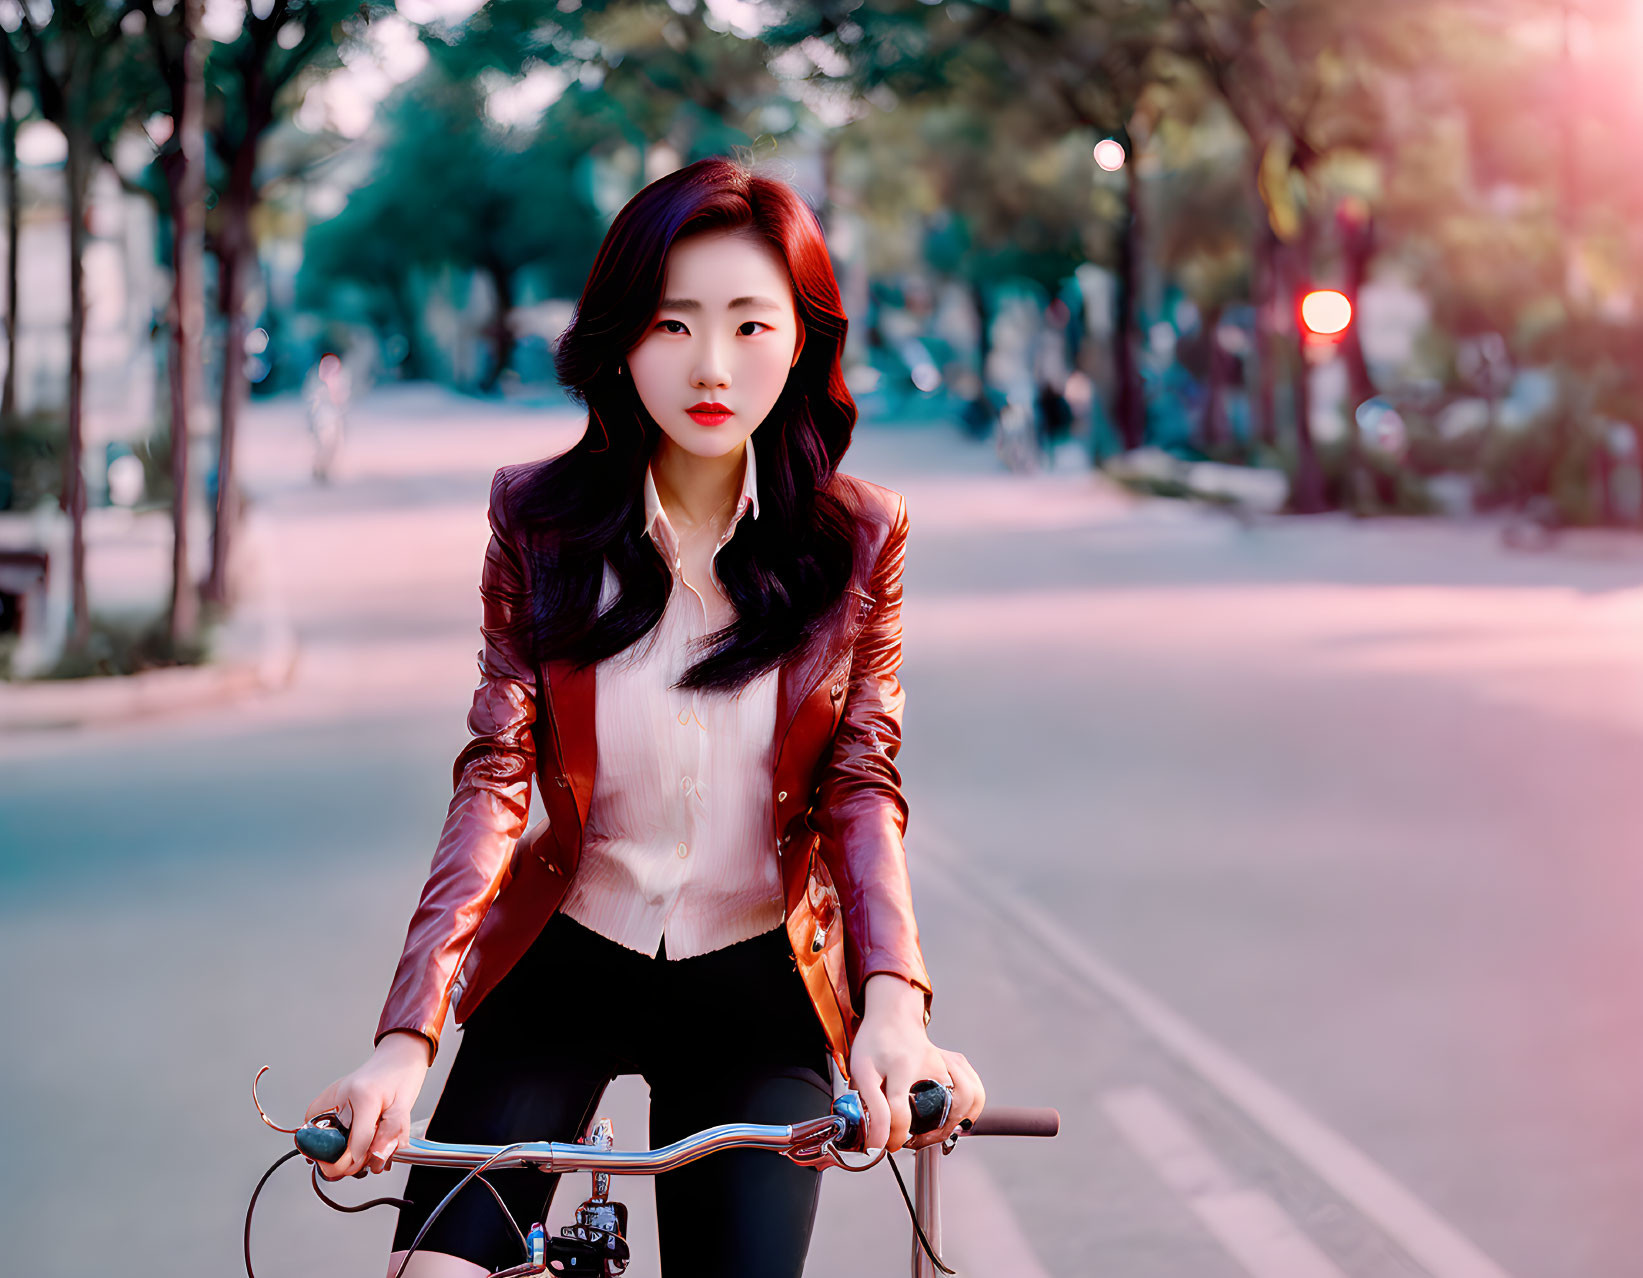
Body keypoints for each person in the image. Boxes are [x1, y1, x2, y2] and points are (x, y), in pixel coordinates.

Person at [302, 156, 986, 1277]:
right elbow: (495, 777)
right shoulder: (538, 522)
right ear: (619, 338)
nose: (710, 366)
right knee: (432, 1273)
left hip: (759, 985)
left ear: (804, 341)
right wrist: (400, 1046)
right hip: (569, 956)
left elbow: (862, 787)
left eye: (750, 326)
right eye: (671, 325)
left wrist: (892, 1011)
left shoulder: (857, 539)